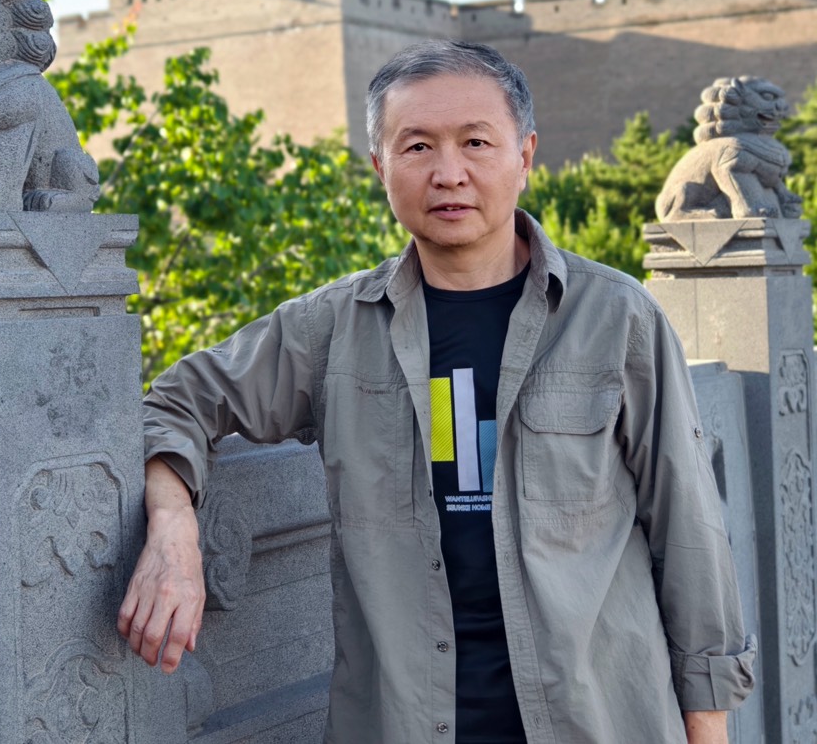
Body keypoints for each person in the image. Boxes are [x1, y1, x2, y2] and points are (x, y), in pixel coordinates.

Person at [118, 41, 755, 744]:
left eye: (476, 142)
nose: (449, 173)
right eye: (417, 146)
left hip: (597, 718)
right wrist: (173, 524)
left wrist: (708, 725)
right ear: (380, 167)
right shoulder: (333, 328)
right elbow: (174, 401)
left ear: (525, 155)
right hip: (403, 721)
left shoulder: (615, 318)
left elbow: (688, 527)